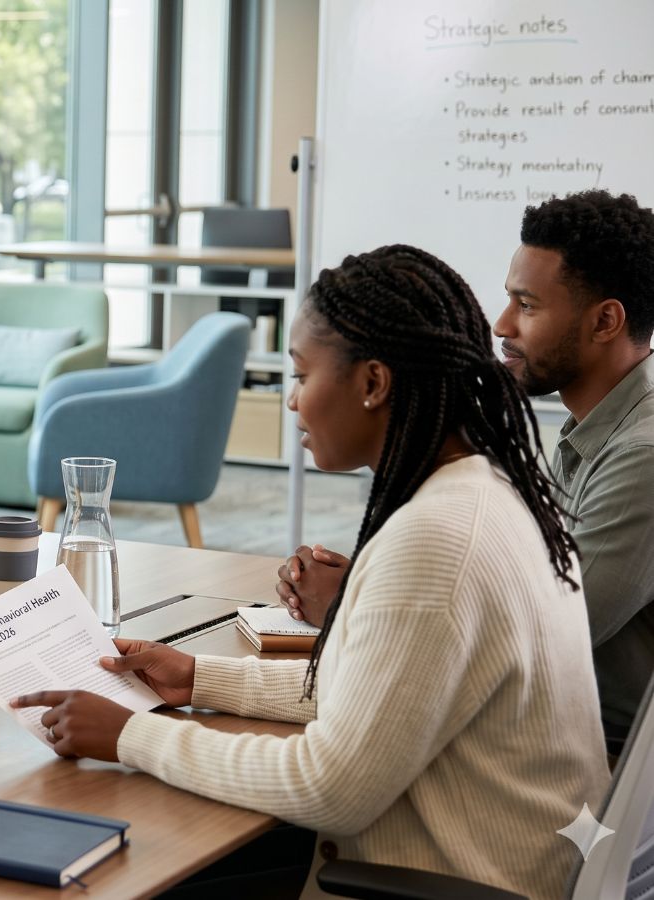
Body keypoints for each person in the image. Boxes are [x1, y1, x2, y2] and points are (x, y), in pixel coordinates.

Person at [12, 246, 608, 898]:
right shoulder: (485, 489)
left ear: (372, 383)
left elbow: (328, 789)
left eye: (300, 375)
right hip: (507, 865)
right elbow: (383, 693)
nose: (293, 401)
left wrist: (130, 734)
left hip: (449, 878)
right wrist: (197, 676)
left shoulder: (434, 540)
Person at [279, 191, 654, 754]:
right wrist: (380, 586)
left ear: (605, 321)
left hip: (601, 756)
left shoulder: (641, 455)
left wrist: (355, 600)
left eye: (526, 306)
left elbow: (549, 632)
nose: (501, 324)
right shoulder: (591, 429)